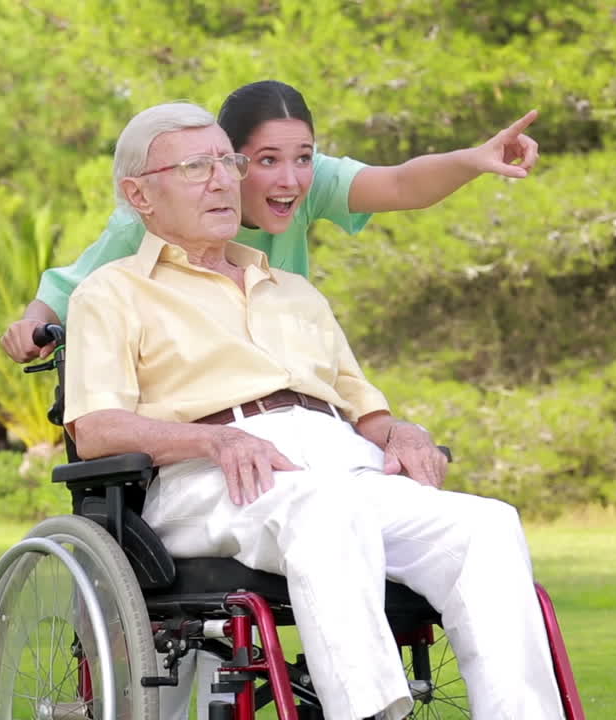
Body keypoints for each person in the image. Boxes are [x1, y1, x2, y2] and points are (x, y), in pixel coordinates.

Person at [62, 101, 563, 720]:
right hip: (215, 475)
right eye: (197, 167)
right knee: (326, 508)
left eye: (228, 161)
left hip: (338, 463)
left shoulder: (295, 292)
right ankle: (373, 713)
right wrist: (212, 443)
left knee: (485, 525)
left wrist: (402, 430)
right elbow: (96, 429)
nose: (223, 179)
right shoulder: (111, 292)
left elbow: (364, 410)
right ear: (139, 193)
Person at [1, 80, 539, 361]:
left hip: (285, 364)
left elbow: (401, 183)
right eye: (265, 161)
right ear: (227, 161)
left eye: (302, 156)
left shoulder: (309, 185)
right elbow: (68, 288)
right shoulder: (153, 217)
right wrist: (31, 323)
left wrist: (474, 159)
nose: (289, 179)